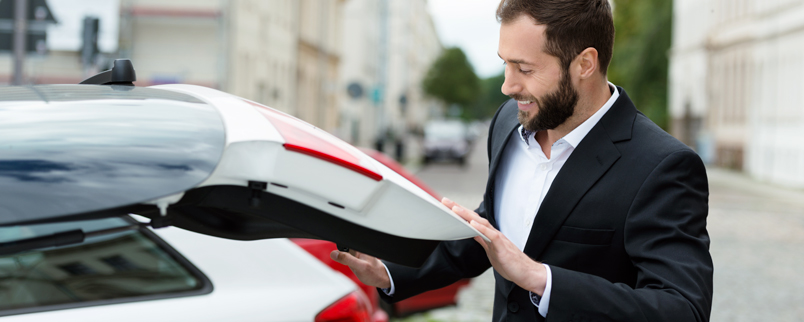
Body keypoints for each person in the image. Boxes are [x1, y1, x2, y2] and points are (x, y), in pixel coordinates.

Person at [331, 0, 714, 321]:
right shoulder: (506, 124)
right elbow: (491, 234)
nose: (508, 86)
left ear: (585, 63)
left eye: (524, 69)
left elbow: (683, 309)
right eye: (505, 64)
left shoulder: (663, 166)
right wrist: (388, 272)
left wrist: (539, 278)